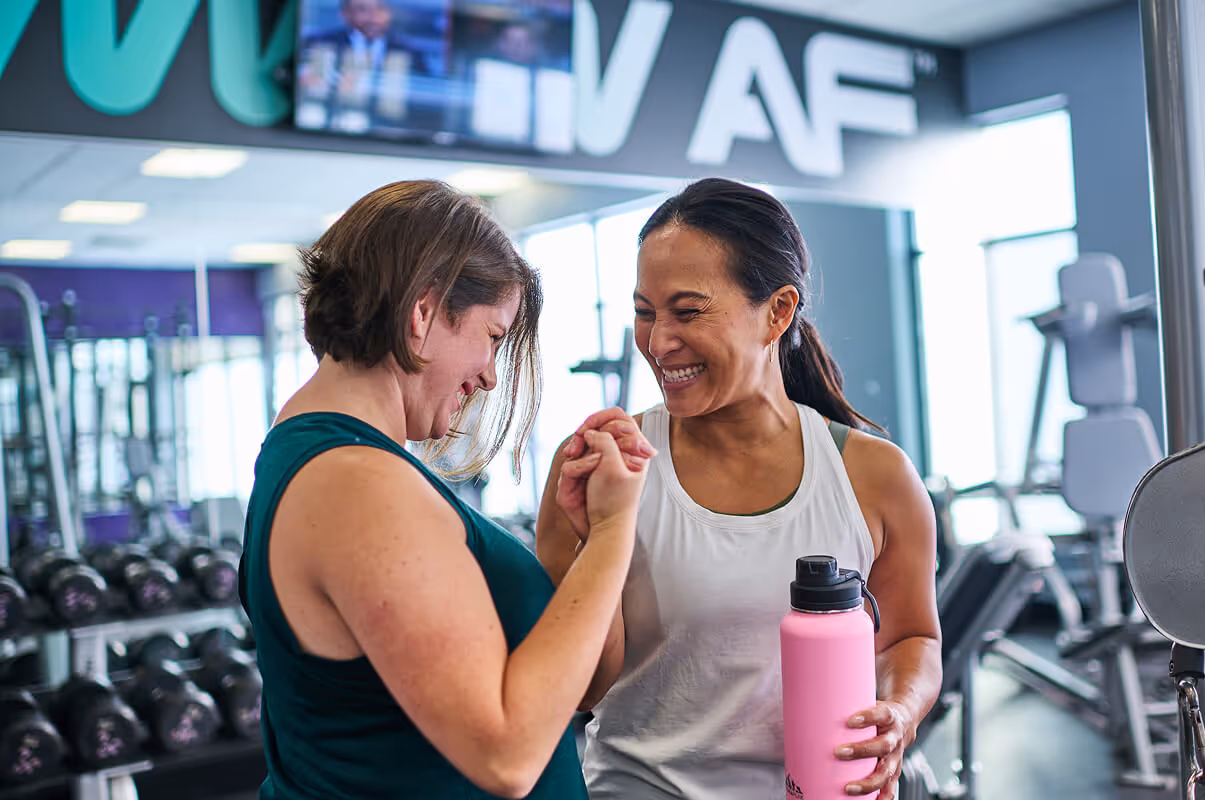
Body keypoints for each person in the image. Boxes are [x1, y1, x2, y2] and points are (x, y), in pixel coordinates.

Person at [239, 179, 655, 799]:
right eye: (492, 336)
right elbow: (508, 755)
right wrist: (620, 530)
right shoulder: (359, 486)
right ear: (423, 314)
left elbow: (581, 687)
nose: (489, 376)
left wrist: (590, 541)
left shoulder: (329, 458)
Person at [537, 178, 943, 800]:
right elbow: (582, 690)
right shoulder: (605, 470)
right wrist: (601, 540)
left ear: (777, 311)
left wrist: (900, 713)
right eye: (645, 311)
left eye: (688, 310)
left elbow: (912, 637)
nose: (659, 340)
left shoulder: (875, 476)